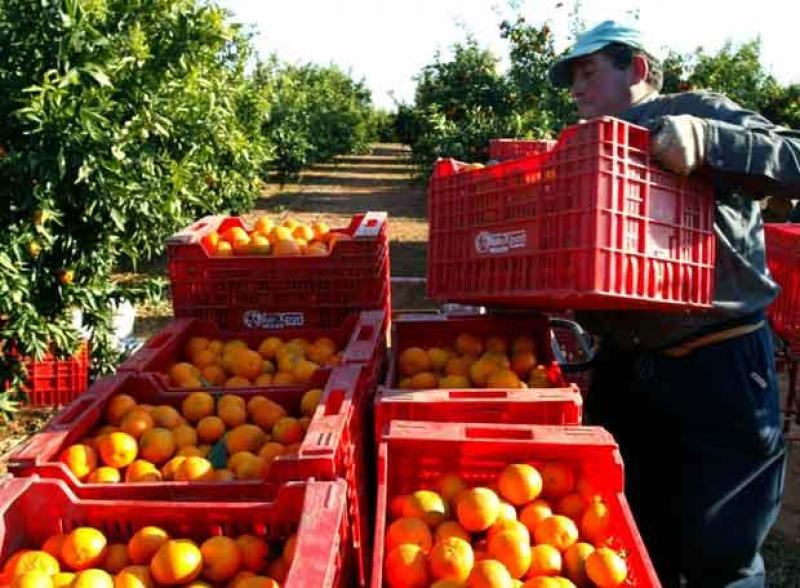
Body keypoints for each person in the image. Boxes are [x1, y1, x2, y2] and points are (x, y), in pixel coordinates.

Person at [548, 20, 800, 588]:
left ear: (636, 69)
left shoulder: (700, 111)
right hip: (627, 369)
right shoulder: (584, 149)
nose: (577, 91)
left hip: (718, 365)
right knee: (632, 537)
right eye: (573, 80)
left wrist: (709, 142)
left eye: (588, 74)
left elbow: (796, 157)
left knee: (721, 552)